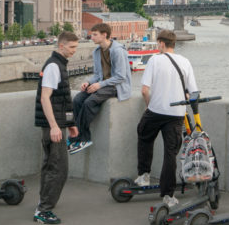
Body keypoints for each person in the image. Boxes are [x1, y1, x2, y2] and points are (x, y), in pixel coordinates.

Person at [134, 29, 197, 209]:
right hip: (177, 114)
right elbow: (193, 92)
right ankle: (168, 195)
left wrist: (148, 105)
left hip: (156, 110)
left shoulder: (155, 59)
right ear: (174, 43)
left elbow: (145, 90)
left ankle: (144, 175)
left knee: (144, 135)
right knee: (170, 154)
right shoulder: (185, 62)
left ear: (161, 43)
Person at [34, 30, 80, 224]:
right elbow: (45, 97)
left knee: (50, 165)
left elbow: (61, 99)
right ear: (61, 46)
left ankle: (43, 203)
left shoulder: (58, 65)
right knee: (59, 168)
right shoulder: (54, 66)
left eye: (76, 47)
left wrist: (69, 124)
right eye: (71, 47)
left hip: (56, 124)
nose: (74, 51)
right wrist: (54, 126)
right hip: (51, 126)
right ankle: (44, 211)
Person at [69, 22, 132, 154]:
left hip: (116, 86)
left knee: (89, 102)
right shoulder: (97, 51)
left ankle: (82, 138)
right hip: (103, 84)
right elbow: (98, 74)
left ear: (104, 35)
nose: (91, 37)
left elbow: (121, 76)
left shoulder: (117, 51)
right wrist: (88, 82)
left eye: (94, 35)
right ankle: (78, 136)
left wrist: (99, 85)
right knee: (78, 99)